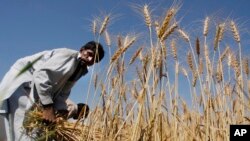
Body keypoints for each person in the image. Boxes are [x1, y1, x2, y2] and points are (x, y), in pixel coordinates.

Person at [0, 41, 105, 141]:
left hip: (36, 87)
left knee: (34, 127)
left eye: (94, 60)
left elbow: (63, 91)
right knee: (20, 124)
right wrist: (48, 107)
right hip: (23, 81)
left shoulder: (81, 70)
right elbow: (41, 75)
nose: (90, 59)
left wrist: (60, 109)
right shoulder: (67, 55)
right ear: (82, 50)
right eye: (89, 54)